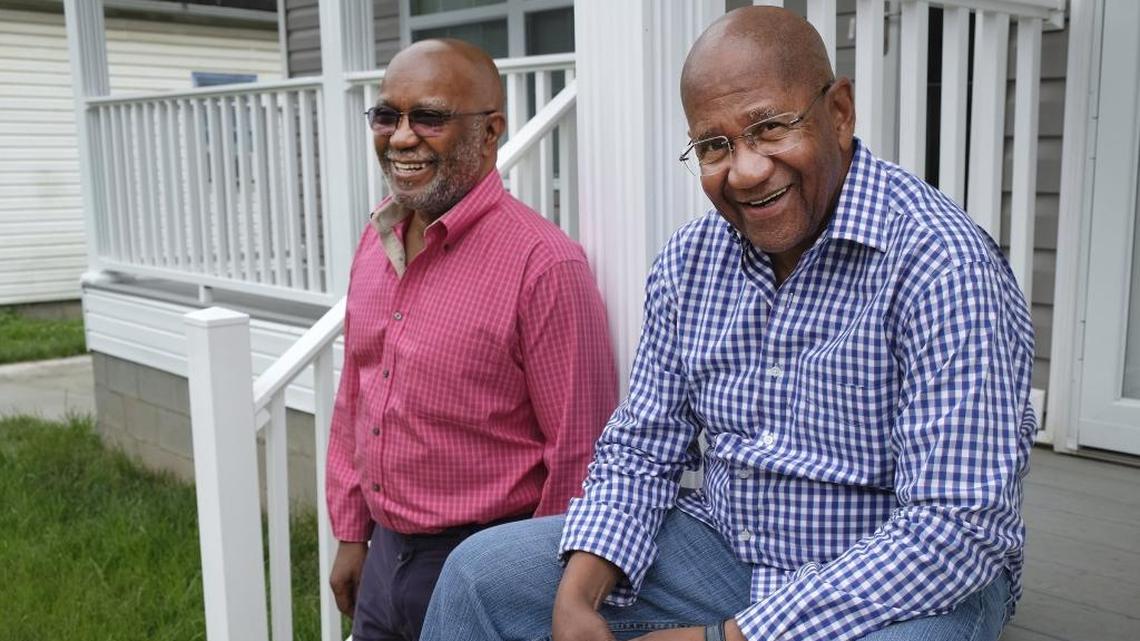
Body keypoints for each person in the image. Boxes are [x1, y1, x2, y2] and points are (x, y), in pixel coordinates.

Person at [419, 7, 1036, 641]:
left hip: (899, 576)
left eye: (769, 128)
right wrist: (579, 592)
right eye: (715, 146)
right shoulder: (691, 261)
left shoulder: (942, 263)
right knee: (477, 574)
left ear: (840, 113)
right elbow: (641, 450)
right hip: (727, 547)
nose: (745, 171)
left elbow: (958, 526)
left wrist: (727, 638)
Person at [325, 38, 618, 641]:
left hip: (485, 562)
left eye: (428, 117)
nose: (401, 137)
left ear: (491, 132)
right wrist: (353, 533)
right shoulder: (376, 243)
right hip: (384, 557)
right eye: (387, 115)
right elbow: (355, 396)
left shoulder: (543, 265)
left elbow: (580, 456)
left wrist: (540, 589)